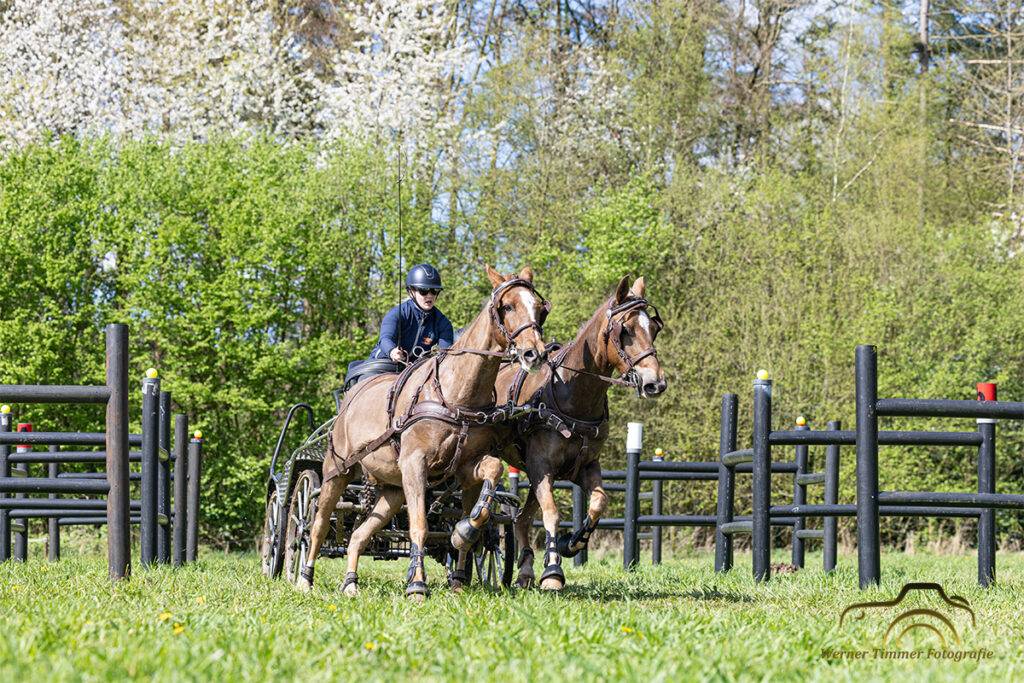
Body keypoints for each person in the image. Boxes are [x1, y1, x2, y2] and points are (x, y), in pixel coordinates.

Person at [368, 263, 455, 363]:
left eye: (434, 291)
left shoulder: (443, 323)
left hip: (416, 366)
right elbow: (385, 338)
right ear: (411, 292)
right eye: (423, 290)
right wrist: (392, 351)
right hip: (384, 361)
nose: (430, 295)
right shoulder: (397, 314)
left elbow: (445, 353)